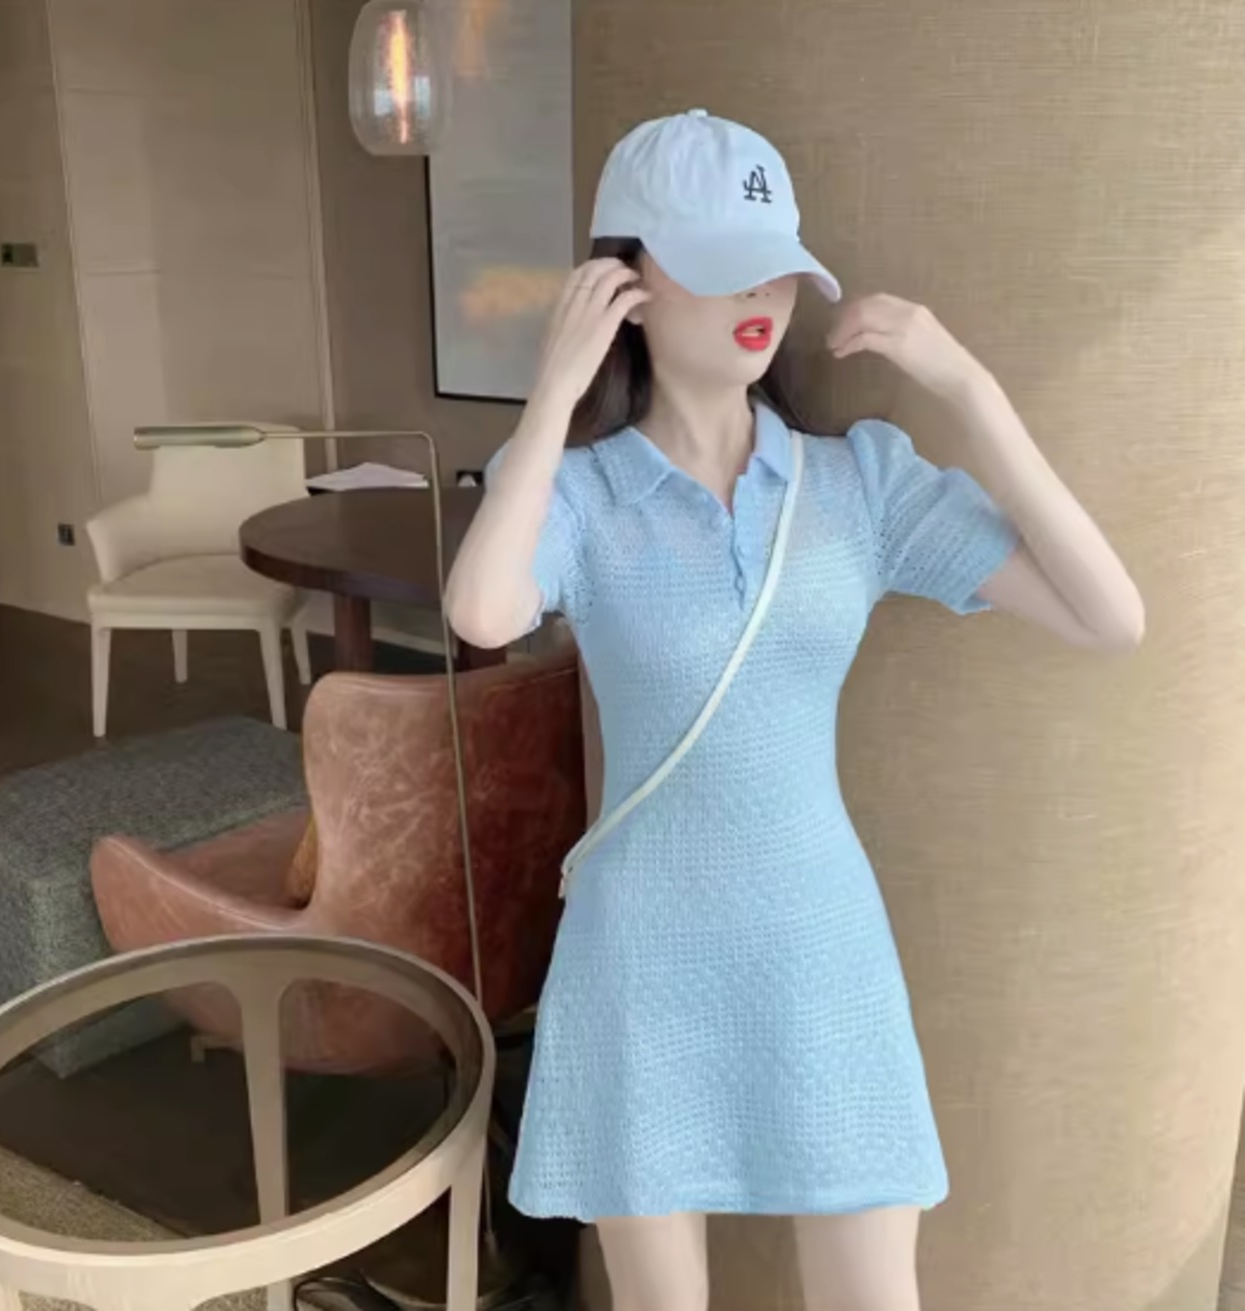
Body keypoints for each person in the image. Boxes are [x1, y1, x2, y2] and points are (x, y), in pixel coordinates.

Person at [445, 109, 1143, 1311]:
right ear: (625, 287)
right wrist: (550, 395)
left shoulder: (858, 481)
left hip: (820, 944)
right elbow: (481, 611)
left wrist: (967, 388)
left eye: (773, 265)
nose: (758, 295)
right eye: (718, 265)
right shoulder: (576, 493)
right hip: (639, 953)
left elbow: (1108, 616)